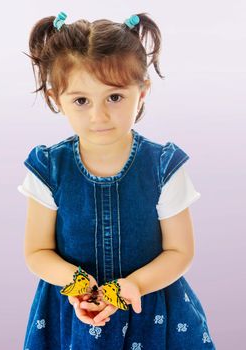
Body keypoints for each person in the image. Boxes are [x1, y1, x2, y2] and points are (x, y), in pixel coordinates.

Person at [17, 11, 216, 350]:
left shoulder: (163, 166)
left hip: (151, 309)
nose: (99, 116)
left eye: (115, 97)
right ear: (56, 100)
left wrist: (134, 284)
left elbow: (179, 250)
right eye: (81, 100)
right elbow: (37, 251)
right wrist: (76, 283)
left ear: (142, 91)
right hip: (71, 312)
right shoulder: (48, 167)